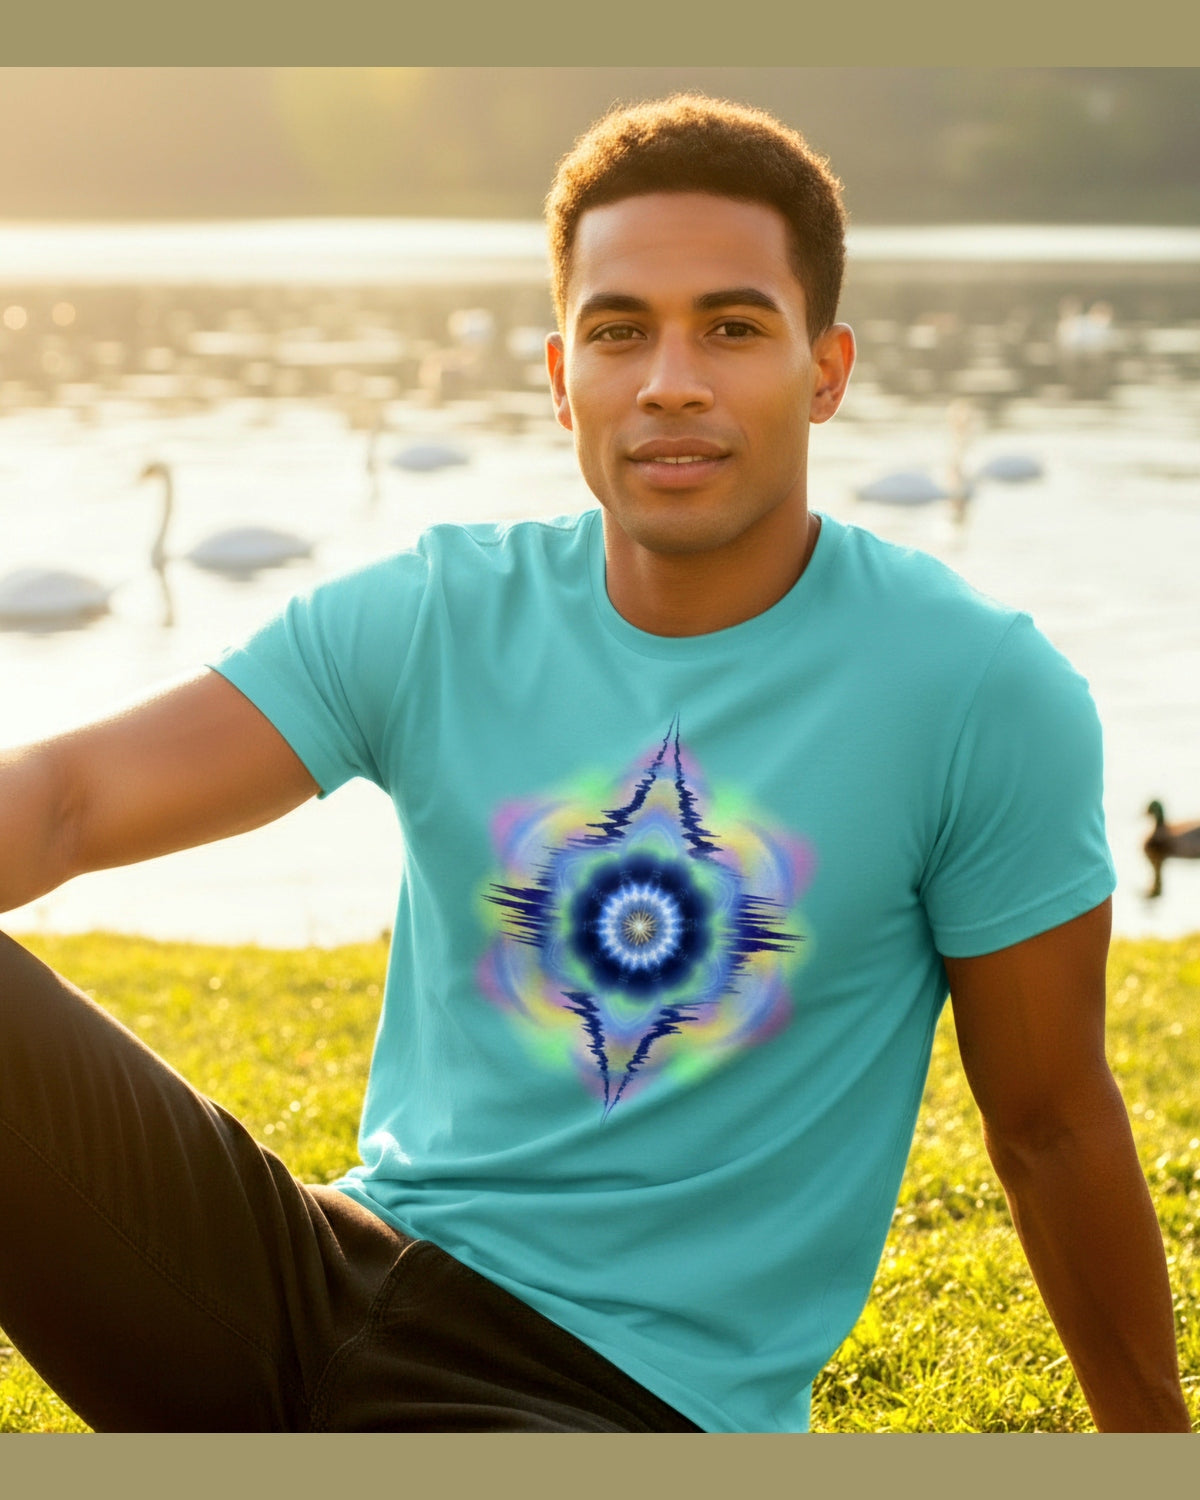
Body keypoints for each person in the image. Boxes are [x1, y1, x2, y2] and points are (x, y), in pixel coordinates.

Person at [0, 94, 1191, 1435]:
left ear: (827, 371)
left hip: (608, 1400)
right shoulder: (438, 611)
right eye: (622, 331)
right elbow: (67, 800)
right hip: (322, 1277)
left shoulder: (978, 691)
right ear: (563, 375)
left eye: (732, 328)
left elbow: (1048, 1123)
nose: (670, 378)